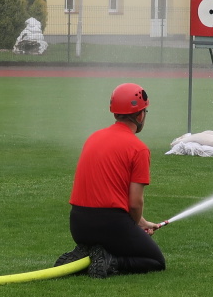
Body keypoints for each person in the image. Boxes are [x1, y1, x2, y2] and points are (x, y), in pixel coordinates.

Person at [58, 82, 165, 278]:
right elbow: (134, 203)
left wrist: (141, 223)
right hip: (109, 225)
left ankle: (86, 255)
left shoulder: (94, 137)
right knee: (156, 261)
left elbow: (106, 191)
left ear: (115, 113)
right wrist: (133, 227)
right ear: (140, 115)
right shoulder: (138, 148)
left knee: (122, 241)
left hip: (79, 224)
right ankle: (111, 261)